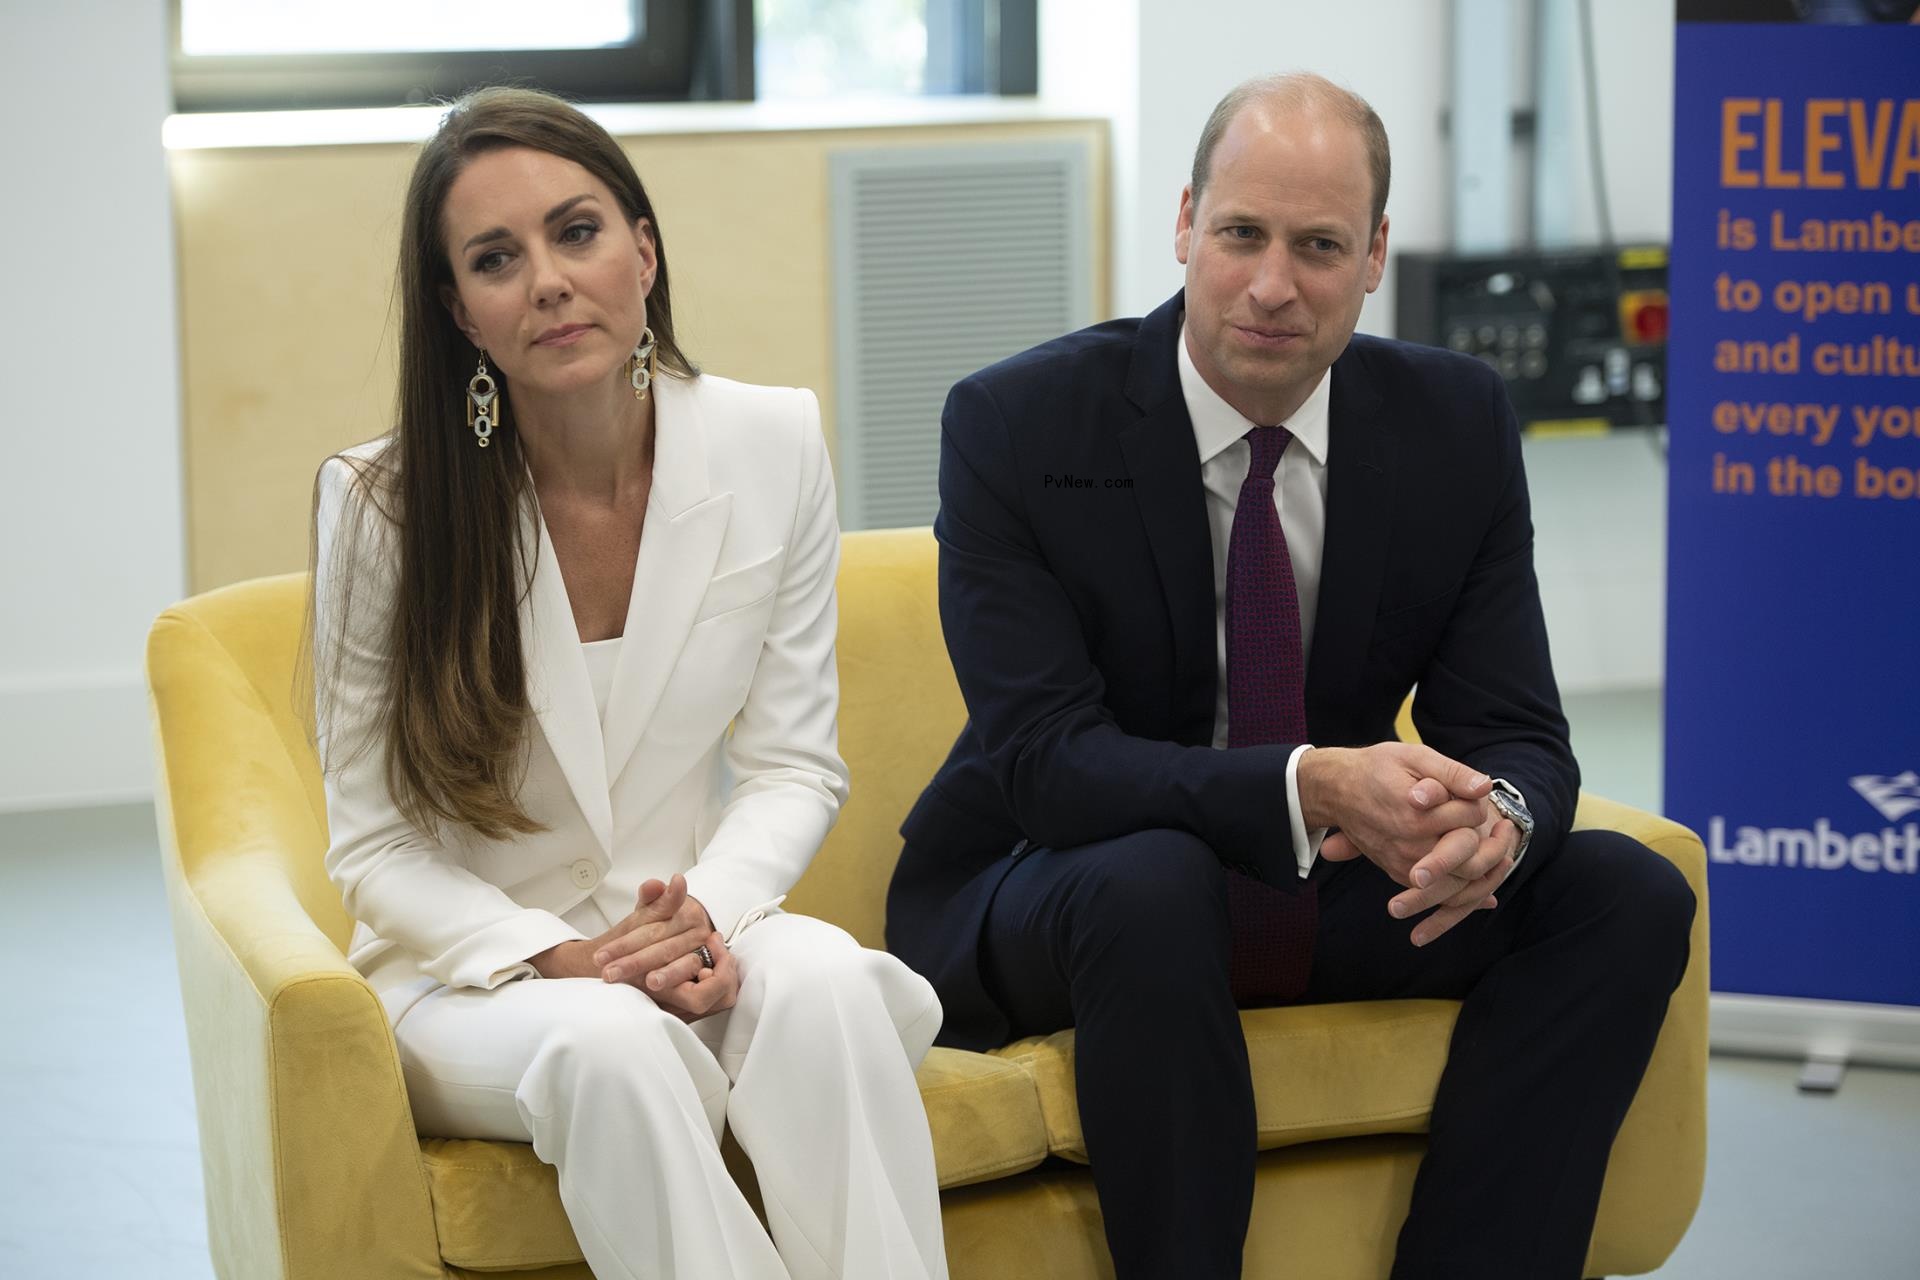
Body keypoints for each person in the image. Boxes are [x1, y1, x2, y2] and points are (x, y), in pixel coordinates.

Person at [886, 72, 1695, 1279]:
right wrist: (1312, 786)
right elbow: (1050, 767)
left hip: (1314, 885)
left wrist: (1503, 826)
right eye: (1241, 235)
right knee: (1150, 883)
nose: (1272, 285)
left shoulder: (1454, 422)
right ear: (1184, 225)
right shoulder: (1019, 425)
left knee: (1623, 895)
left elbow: (1518, 726)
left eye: (1319, 246)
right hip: (1049, 883)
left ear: (1373, 257)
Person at [311, 87, 948, 1280]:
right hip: (482, 979)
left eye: (578, 230)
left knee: (825, 989)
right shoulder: (381, 508)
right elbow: (373, 848)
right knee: (615, 1045)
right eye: (496, 258)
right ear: (460, 311)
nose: (548, 279)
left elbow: (793, 764)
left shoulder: (774, 442)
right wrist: (560, 957)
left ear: (643, 250)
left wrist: (698, 914)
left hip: (686, 920)